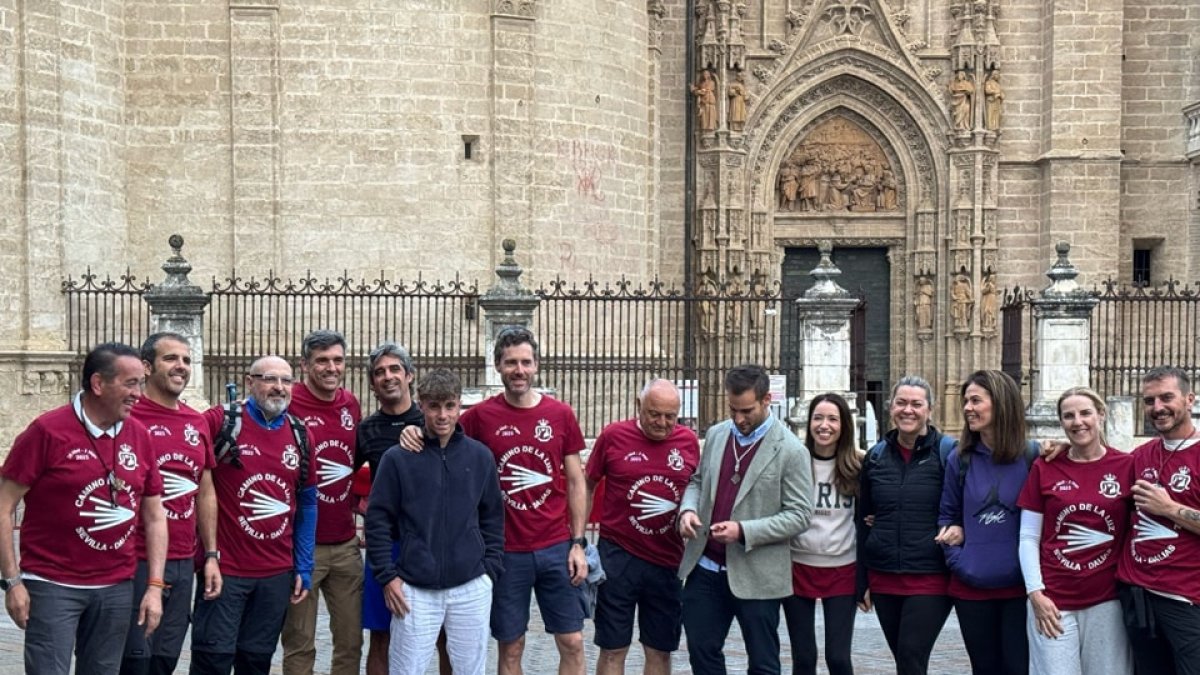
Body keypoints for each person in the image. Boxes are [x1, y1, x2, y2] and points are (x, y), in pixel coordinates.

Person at [402, 326, 590, 675]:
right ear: (498, 366)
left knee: (573, 641)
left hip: (555, 547)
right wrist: (411, 428)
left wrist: (578, 543)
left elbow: (578, 482)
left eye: (526, 362)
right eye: (511, 362)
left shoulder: (561, 414)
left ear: (536, 366)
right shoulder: (480, 417)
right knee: (511, 645)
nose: (519, 370)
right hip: (506, 552)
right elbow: (439, 425)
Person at [0, 342, 168, 675]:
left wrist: (154, 586)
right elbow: (4, 506)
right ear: (97, 384)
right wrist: (12, 582)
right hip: (51, 585)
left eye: (141, 382)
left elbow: (154, 514)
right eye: (131, 383)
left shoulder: (139, 434)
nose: (139, 393)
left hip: (116, 587)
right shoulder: (46, 431)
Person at [366, 368, 505, 675]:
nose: (442, 415)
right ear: (421, 404)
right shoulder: (397, 459)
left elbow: (493, 517)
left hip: (471, 585)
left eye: (450, 405)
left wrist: (489, 572)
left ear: (459, 406)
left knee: (470, 670)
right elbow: (377, 520)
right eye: (434, 406)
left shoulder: (480, 457)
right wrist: (388, 577)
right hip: (414, 588)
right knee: (407, 670)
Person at [677, 364, 813, 675]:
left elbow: (800, 515)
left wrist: (743, 531)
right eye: (733, 409)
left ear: (767, 400)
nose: (738, 418)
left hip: (758, 573)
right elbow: (697, 482)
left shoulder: (791, 451)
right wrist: (687, 510)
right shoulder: (716, 434)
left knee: (764, 664)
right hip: (706, 568)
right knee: (701, 652)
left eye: (747, 410)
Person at [191, 356, 317, 675]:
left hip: (275, 574)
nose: (278, 387)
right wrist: (205, 554)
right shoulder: (221, 421)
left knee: (256, 663)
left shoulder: (301, 435)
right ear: (250, 382)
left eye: (286, 381)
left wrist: (303, 564)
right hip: (225, 570)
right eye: (269, 379)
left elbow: (308, 503)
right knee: (212, 661)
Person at [121, 333, 221, 675]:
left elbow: (205, 490)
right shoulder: (128, 418)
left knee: (165, 660)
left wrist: (210, 554)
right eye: (171, 358)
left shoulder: (197, 422)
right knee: (134, 658)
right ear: (147, 367)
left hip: (183, 561)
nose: (181, 366)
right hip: (136, 559)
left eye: (187, 360)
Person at [585, 379, 700, 675]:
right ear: (639, 406)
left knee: (659, 651)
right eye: (654, 414)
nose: (662, 423)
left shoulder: (688, 442)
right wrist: (578, 539)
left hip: (667, 561)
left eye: (670, 416)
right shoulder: (613, 436)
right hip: (617, 558)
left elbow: (700, 489)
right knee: (612, 648)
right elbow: (586, 484)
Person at [1017, 387, 1134, 674]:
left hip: (1107, 601)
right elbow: (1028, 537)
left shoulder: (1126, 466)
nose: (1077, 421)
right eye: (1068, 416)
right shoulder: (1045, 467)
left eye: (1085, 413)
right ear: (1061, 422)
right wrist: (1036, 594)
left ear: (1101, 416)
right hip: (1053, 602)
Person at [856, 375, 955, 675]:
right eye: (901, 403)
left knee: (911, 655)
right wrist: (862, 580)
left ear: (930, 409)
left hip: (931, 576)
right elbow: (864, 520)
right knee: (905, 661)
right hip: (884, 575)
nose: (908, 410)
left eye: (916, 404)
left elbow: (963, 506)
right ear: (890, 408)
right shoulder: (875, 457)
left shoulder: (949, 453)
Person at [940, 370, 1032, 675]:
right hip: (971, 589)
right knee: (984, 669)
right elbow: (947, 516)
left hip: (1020, 590)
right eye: (966, 400)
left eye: (976, 400)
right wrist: (960, 562)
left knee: (1018, 669)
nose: (967, 407)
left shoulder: (1033, 458)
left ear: (1001, 403)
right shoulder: (960, 458)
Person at [282, 330, 363, 675]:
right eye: (322, 361)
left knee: (350, 643)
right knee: (300, 643)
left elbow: (356, 463)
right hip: (302, 548)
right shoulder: (289, 403)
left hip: (345, 545)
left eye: (338, 360)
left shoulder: (351, 403)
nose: (331, 368)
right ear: (304, 365)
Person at [1117, 366, 1200, 674]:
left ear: (1189, 399)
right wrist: (1055, 449)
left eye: (1167, 398)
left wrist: (1169, 508)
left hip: (1186, 599)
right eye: (1149, 400)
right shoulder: (1140, 455)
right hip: (1136, 595)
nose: (1157, 408)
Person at [355, 342, 428, 675]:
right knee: (380, 636)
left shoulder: (433, 422)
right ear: (372, 383)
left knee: (440, 636)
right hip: (386, 547)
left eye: (395, 369)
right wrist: (354, 515)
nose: (388, 377)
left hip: (428, 546)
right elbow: (340, 480)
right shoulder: (366, 430)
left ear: (410, 375)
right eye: (380, 372)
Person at [784, 393, 862, 675]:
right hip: (797, 568)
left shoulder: (859, 467)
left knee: (838, 658)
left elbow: (867, 520)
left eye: (832, 418)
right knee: (803, 658)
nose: (824, 425)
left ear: (844, 425)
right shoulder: (794, 463)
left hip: (843, 569)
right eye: (818, 418)